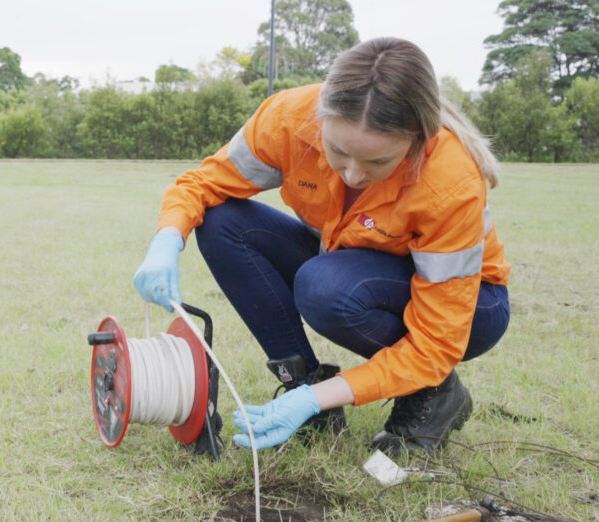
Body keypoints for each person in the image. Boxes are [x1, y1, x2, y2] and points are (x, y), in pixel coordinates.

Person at [133, 37, 511, 457]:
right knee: (222, 221)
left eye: (378, 163)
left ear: (418, 141)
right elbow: (203, 184)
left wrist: (338, 390)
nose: (352, 174)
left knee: (326, 288)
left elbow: (437, 342)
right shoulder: (288, 119)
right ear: (321, 118)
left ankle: (434, 393)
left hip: (474, 307)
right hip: (344, 267)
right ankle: (305, 386)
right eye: (338, 151)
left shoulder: (450, 182)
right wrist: (166, 240)